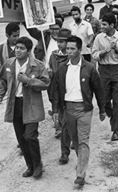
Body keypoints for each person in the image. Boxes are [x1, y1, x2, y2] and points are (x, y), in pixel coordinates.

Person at [0, 36, 50, 178]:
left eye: (22, 48)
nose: (18, 51)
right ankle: (30, 166)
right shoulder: (9, 64)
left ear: (29, 51)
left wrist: (29, 80)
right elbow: (1, 80)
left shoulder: (37, 65)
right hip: (15, 104)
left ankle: (38, 166)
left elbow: (45, 84)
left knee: (30, 136)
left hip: (31, 105)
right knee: (21, 138)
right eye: (16, 48)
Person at [52, 36, 106, 186]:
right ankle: (82, 161)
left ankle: (80, 175)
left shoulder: (89, 68)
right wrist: (55, 110)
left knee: (83, 141)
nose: (68, 51)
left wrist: (102, 109)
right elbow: (56, 90)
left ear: (79, 50)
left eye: (72, 49)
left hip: (84, 109)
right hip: (68, 109)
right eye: (67, 48)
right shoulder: (62, 68)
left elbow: (99, 90)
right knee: (75, 140)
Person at [92, 12, 118, 141]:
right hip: (103, 70)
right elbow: (94, 54)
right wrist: (103, 52)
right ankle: (111, 115)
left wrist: (117, 50)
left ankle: (115, 130)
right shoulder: (98, 38)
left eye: (104, 24)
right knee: (104, 100)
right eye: (101, 24)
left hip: (117, 69)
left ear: (112, 25)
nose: (101, 26)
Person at [48, 28, 72, 163]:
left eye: (62, 42)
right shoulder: (53, 55)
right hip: (59, 93)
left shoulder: (73, 56)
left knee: (72, 122)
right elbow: (52, 73)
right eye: (58, 42)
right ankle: (65, 153)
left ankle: (75, 139)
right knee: (63, 124)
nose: (59, 45)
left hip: (73, 93)